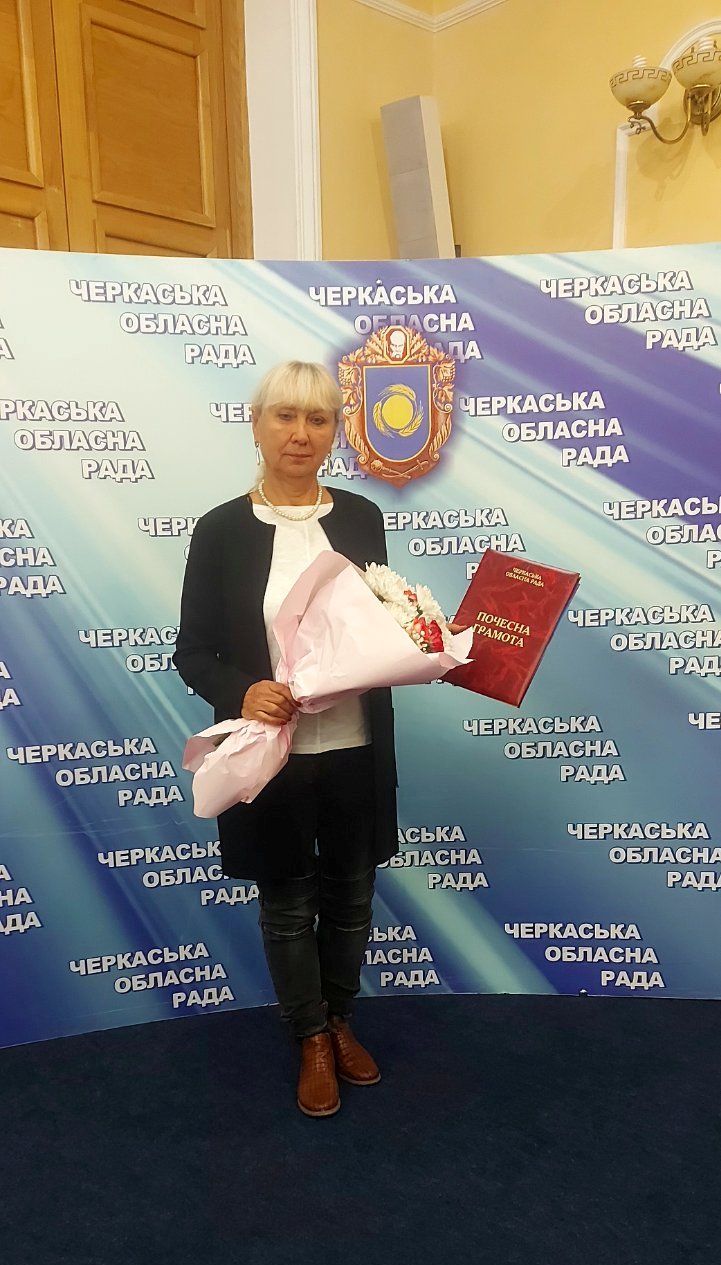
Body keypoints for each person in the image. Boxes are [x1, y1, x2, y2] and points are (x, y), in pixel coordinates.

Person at [174, 361, 397, 1118]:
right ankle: (309, 1036)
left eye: (318, 419)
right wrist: (242, 689)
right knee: (288, 903)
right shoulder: (221, 529)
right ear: (257, 425)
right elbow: (193, 651)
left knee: (353, 897)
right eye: (285, 416)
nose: (301, 433)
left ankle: (340, 1020)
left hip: (357, 745)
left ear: (334, 432)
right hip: (272, 756)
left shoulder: (363, 517)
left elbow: (382, 627)